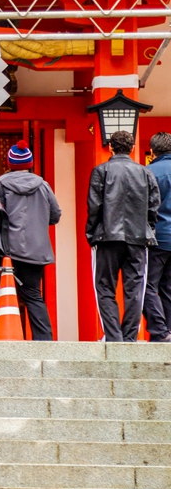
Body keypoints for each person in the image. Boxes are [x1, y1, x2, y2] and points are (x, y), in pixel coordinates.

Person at [0, 140, 62, 341]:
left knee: (2, 295)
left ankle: (4, 338)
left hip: (7, 251)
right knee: (33, 294)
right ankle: (44, 341)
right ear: (30, 163)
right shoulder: (43, 185)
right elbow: (55, 215)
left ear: (9, 163)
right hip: (36, 251)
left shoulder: (0, 185)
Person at [86, 130, 161, 342]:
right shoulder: (145, 173)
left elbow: (94, 206)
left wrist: (92, 233)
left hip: (107, 236)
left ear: (110, 147)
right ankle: (129, 338)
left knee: (104, 287)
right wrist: (148, 228)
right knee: (135, 288)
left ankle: (113, 337)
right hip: (138, 237)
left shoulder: (101, 171)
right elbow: (153, 206)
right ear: (132, 148)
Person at [143, 132, 171, 342]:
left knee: (147, 286)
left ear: (152, 151)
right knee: (168, 287)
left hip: (156, 237)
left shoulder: (148, 172)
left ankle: (160, 332)